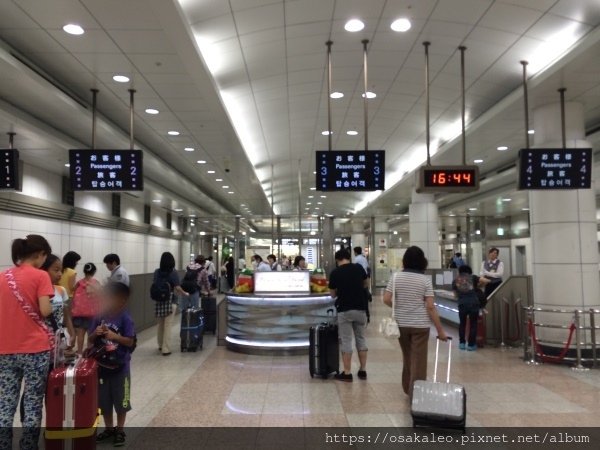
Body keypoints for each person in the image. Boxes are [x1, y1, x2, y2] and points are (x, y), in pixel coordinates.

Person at [0, 235, 54, 450]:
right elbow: (45, 310)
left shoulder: (3, 277)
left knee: (5, 403)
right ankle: (28, 446)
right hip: (35, 350)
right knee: (32, 402)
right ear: (40, 255)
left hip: (5, 349)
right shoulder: (41, 276)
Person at [383, 246, 448, 399]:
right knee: (419, 360)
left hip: (401, 324)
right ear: (422, 261)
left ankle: (408, 388)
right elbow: (430, 306)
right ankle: (417, 393)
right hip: (420, 325)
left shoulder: (396, 277)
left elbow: (386, 299)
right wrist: (440, 330)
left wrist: (398, 307)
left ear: (405, 260)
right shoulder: (425, 280)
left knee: (408, 357)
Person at [89, 282, 135, 447]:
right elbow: (90, 338)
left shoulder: (125, 317)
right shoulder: (99, 315)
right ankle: (109, 429)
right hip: (101, 367)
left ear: (121, 300)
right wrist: (96, 333)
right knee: (104, 401)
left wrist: (115, 337)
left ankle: (120, 429)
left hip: (120, 367)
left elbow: (130, 341)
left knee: (121, 400)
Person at [329, 249, 369, 382]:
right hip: (360, 309)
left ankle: (347, 373)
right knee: (361, 339)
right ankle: (363, 370)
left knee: (346, 341)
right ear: (348, 257)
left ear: (337, 260)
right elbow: (366, 284)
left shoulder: (335, 273)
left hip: (345, 309)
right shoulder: (358, 268)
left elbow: (333, 294)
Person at [153, 252, 188, 356]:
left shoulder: (156, 272)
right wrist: (184, 293)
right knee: (168, 325)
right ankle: (166, 348)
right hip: (170, 301)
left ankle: (160, 345)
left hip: (159, 301)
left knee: (160, 324)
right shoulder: (173, 272)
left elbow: (155, 284)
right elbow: (177, 287)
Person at [452, 265, 489, 351]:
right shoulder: (473, 277)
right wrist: (478, 286)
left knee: (462, 324)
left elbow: (455, 295)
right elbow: (486, 280)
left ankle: (462, 343)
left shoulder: (455, 280)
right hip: (473, 303)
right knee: (473, 324)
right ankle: (471, 345)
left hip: (462, 304)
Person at [71, 263, 101, 355]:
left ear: (84, 271)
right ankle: (89, 353)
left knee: (80, 334)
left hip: (80, 313)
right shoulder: (96, 283)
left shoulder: (79, 283)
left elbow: (73, 295)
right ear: (94, 272)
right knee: (91, 334)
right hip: (92, 313)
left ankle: (79, 353)